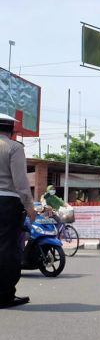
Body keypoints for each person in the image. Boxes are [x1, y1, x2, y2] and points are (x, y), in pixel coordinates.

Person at [0, 113, 36, 309]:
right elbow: (21, 182)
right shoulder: (14, 148)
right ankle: (4, 294)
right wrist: (29, 207)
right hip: (7, 202)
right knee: (8, 248)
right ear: (12, 131)